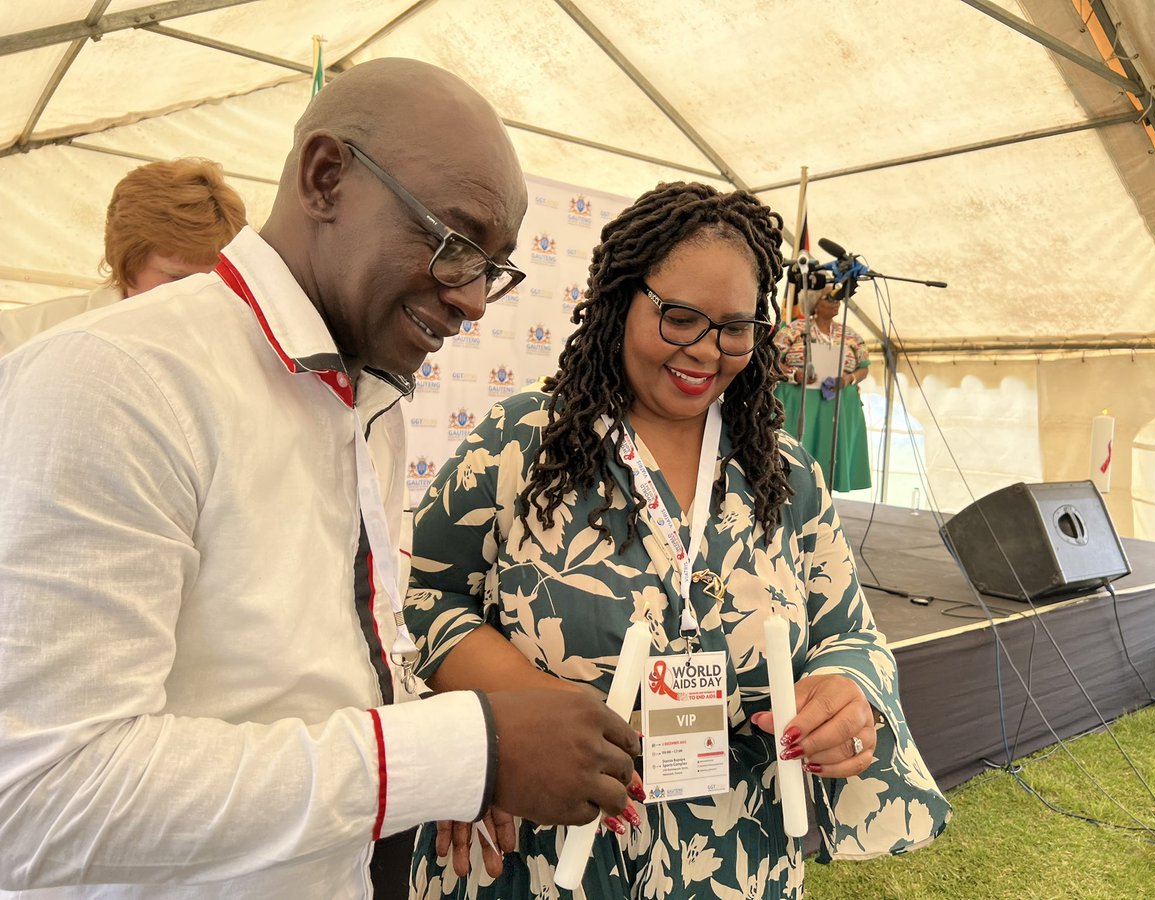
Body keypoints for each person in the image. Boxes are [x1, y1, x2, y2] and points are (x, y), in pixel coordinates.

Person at [0, 58, 640, 897]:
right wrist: (453, 749)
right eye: (455, 244)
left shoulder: (367, 397)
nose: (476, 300)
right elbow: (42, 803)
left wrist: (442, 764)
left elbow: (306, 678)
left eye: (495, 267)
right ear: (326, 177)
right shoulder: (116, 379)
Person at [403, 182, 950, 899]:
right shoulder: (522, 443)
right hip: (540, 849)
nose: (706, 351)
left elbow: (848, 631)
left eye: (736, 326)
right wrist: (523, 726)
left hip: (732, 857)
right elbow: (425, 598)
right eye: (680, 317)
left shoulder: (785, 474)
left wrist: (845, 692)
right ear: (621, 298)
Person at [0, 157, 247, 355]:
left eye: (213, 282)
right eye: (177, 278)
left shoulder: (235, 350)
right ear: (126, 262)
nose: (198, 296)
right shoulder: (21, 339)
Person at [773, 278, 872, 491]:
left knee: (829, 460)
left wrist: (848, 379)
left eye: (837, 298)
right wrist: (794, 374)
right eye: (829, 297)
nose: (836, 302)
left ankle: (823, 508)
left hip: (839, 406)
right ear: (815, 302)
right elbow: (772, 362)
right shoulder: (794, 329)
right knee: (794, 460)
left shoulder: (850, 334)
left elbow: (864, 366)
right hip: (799, 403)